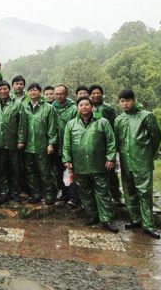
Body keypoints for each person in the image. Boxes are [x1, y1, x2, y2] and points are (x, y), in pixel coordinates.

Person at [63, 97, 118, 232]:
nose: (84, 107)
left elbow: (111, 141)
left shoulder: (102, 122)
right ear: (77, 108)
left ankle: (106, 219)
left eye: (87, 104)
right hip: (79, 165)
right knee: (85, 192)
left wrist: (110, 158)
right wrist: (67, 159)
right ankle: (92, 215)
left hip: (98, 164)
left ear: (92, 107)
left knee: (103, 192)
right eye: (81, 105)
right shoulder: (71, 124)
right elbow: (66, 144)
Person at [114, 89, 161, 239]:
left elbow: (156, 137)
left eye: (128, 100)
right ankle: (135, 219)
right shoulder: (119, 119)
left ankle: (148, 225)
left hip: (142, 161)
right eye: (122, 101)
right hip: (125, 161)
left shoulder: (147, 116)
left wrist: (147, 153)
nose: (125, 103)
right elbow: (117, 141)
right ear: (119, 102)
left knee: (144, 193)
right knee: (129, 192)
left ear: (134, 100)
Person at [0, 80, 27, 204]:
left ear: (9, 90)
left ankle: (15, 193)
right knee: (1, 168)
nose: (3, 91)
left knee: (15, 168)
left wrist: (21, 140)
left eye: (5, 89)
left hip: (13, 142)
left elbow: (22, 124)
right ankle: (3, 192)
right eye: (0, 89)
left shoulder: (17, 105)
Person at [24, 83, 58, 205]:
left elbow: (52, 127)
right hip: (28, 146)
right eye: (31, 90)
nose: (33, 92)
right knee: (31, 172)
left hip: (42, 145)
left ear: (40, 93)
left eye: (36, 90)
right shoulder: (24, 108)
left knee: (45, 172)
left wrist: (51, 143)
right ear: (28, 93)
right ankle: (36, 194)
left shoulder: (48, 108)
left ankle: (50, 195)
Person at [89, 84, 122, 205]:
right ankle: (98, 197)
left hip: (107, 143)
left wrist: (115, 144)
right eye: (93, 93)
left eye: (98, 93)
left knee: (111, 172)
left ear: (102, 94)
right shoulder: (87, 107)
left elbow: (115, 125)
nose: (96, 95)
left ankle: (116, 196)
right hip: (93, 145)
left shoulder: (108, 108)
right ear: (90, 95)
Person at [52, 85, 79, 206]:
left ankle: (74, 197)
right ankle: (64, 194)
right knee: (59, 172)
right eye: (56, 94)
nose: (59, 96)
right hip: (56, 145)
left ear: (66, 94)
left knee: (71, 172)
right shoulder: (51, 107)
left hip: (70, 145)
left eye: (61, 93)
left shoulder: (73, 108)